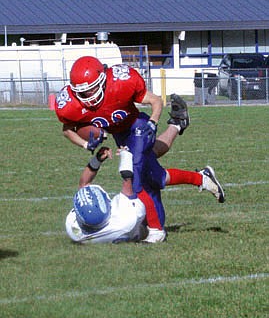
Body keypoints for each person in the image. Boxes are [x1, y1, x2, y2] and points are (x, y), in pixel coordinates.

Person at [55, 56, 190, 235]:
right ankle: (178, 125)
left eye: (91, 89)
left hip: (136, 123)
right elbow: (67, 129)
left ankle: (156, 230)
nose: (87, 96)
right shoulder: (70, 103)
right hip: (118, 132)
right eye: (82, 92)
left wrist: (152, 122)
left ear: (102, 80)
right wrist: (86, 144)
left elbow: (156, 100)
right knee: (153, 162)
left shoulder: (120, 81)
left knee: (137, 172)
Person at [65, 145, 225, 244]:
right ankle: (157, 231)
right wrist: (127, 156)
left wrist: (97, 160)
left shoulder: (75, 228)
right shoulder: (124, 218)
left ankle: (200, 177)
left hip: (123, 224)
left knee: (151, 164)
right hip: (137, 222)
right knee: (147, 178)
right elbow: (128, 180)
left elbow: (83, 184)